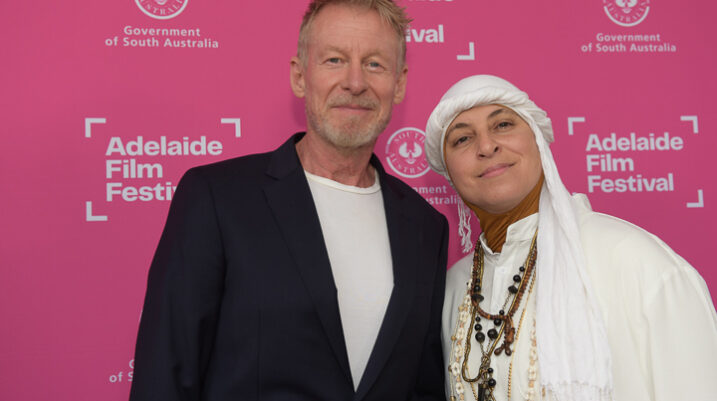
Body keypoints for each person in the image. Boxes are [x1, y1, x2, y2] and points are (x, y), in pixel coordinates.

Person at [128, 1, 449, 400]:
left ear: (398, 84)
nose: (355, 82)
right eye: (334, 60)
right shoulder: (216, 198)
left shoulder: (425, 227)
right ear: (300, 76)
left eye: (374, 64)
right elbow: (166, 375)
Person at [424, 75, 717, 401]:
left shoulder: (633, 261)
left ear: (538, 140)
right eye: (462, 139)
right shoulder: (453, 288)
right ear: (448, 171)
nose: (486, 146)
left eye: (503, 125)